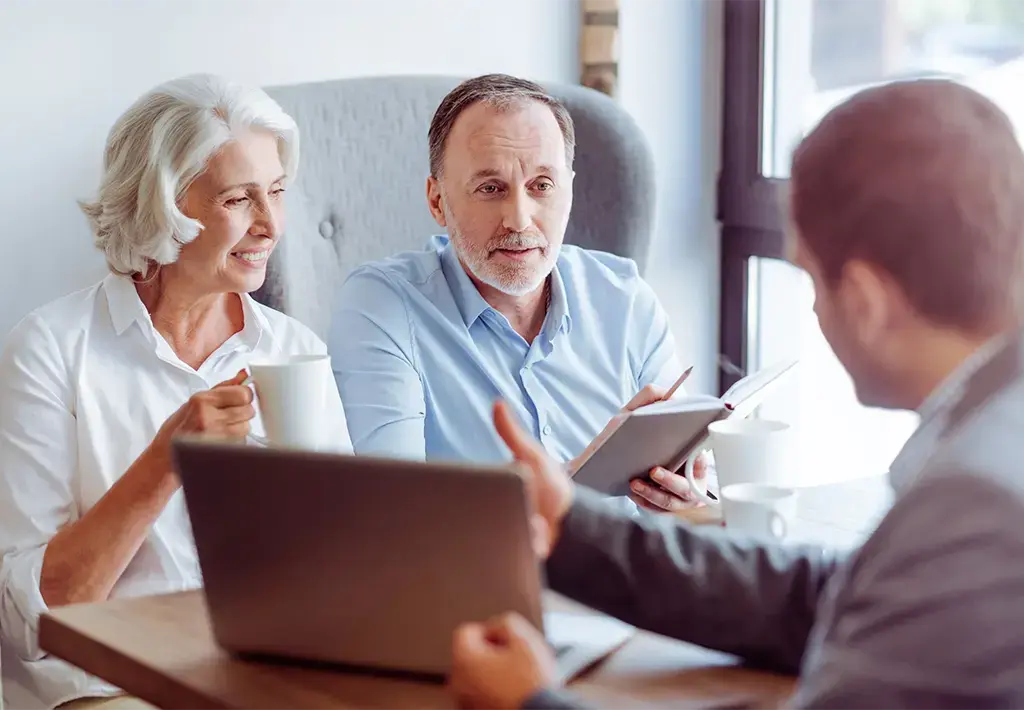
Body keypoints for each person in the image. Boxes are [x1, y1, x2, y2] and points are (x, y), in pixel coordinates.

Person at [447, 79, 1024, 709]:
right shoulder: (992, 433)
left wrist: (531, 705)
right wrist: (571, 527)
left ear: (866, 302)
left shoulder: (976, 499)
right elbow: (833, 598)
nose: (812, 305)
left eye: (809, 279)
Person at [0, 74, 351, 710]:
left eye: (276, 192)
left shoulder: (296, 353)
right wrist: (167, 460)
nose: (271, 225)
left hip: (264, 675)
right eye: (240, 199)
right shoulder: (51, 350)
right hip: (109, 685)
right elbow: (34, 616)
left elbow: (350, 565)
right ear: (162, 207)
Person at [331, 74, 704, 513]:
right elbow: (395, 513)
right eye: (491, 189)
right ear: (437, 201)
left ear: (568, 190)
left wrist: (686, 495)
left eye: (541, 186)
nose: (519, 220)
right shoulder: (381, 306)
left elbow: (691, 491)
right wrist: (586, 475)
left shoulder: (625, 297)